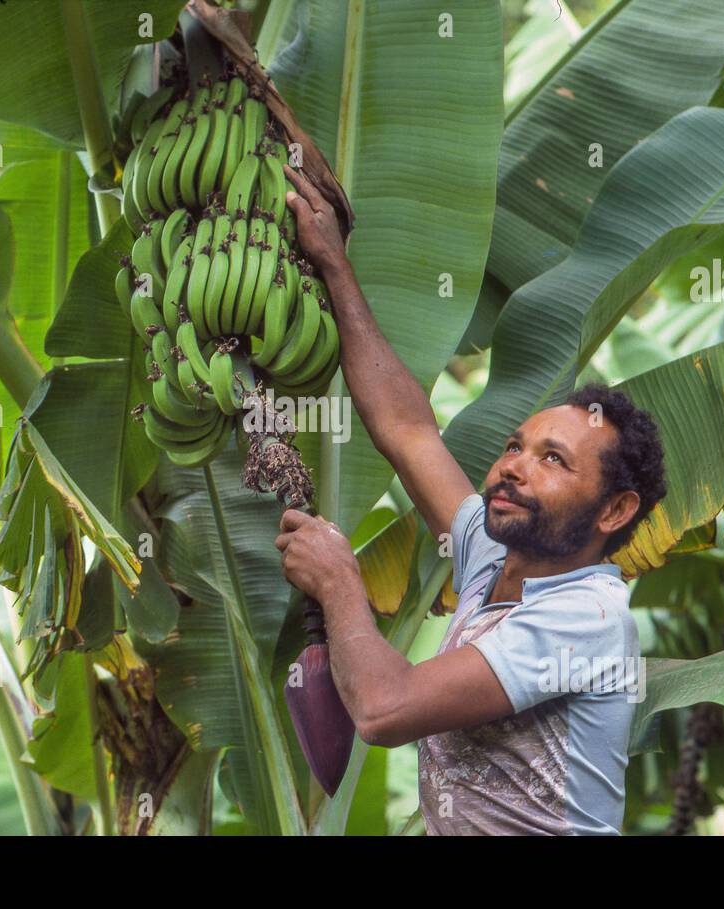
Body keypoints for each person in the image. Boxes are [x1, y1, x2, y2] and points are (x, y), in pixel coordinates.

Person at [274, 165, 669, 835]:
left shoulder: (586, 619)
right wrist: (333, 268)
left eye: (553, 460)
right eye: (516, 446)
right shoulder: (497, 555)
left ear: (613, 511)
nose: (513, 467)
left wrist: (340, 581)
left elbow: (383, 709)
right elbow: (407, 433)